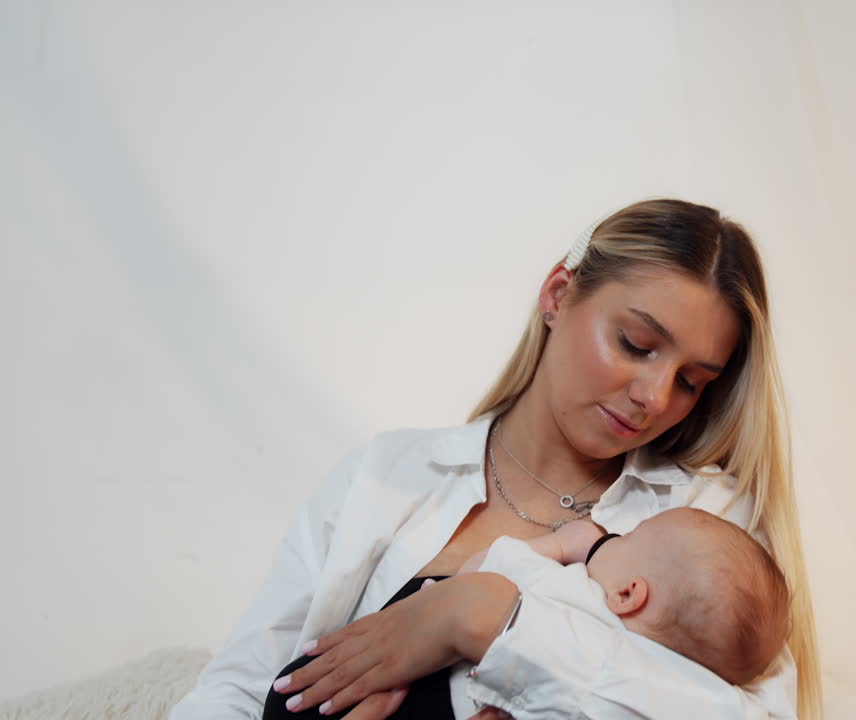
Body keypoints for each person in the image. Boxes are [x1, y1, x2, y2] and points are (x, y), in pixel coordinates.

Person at [171, 199, 821, 720]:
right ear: (559, 295)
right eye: (636, 342)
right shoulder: (389, 474)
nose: (655, 397)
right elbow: (238, 686)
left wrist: (479, 620)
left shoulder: (705, 518)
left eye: (692, 381)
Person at [261, 506, 792, 719]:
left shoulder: (573, 591)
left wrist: (565, 544)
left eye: (627, 536)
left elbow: (477, 572)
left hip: (433, 696)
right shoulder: (656, 678)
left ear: (630, 593)